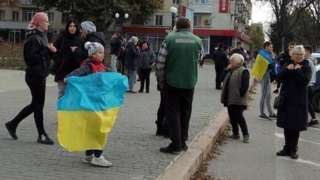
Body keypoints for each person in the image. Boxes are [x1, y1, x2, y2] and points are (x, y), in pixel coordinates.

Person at [5, 12, 56, 145]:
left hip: (40, 74)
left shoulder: (41, 36)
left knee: (36, 104)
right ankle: (41, 135)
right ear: (39, 23)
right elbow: (30, 58)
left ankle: (12, 124)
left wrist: (49, 51)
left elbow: (43, 55)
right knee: (38, 105)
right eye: (46, 21)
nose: (48, 24)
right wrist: (47, 52)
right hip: (35, 76)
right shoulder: (33, 38)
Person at [156, 17, 203, 154]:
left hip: (172, 82)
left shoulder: (169, 39)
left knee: (173, 113)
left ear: (176, 26)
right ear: (189, 26)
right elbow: (199, 59)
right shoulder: (198, 40)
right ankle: (183, 141)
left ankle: (175, 144)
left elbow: (160, 63)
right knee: (186, 112)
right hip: (190, 82)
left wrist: (161, 82)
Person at [65, 41, 112, 167]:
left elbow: (110, 76)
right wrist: (68, 78)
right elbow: (77, 73)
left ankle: (89, 155)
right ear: (92, 55)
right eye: (99, 52)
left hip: (99, 103)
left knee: (94, 129)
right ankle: (98, 156)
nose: (102, 55)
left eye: (103, 52)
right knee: (100, 129)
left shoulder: (102, 66)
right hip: (92, 104)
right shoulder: (88, 66)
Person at [276, 45, 311, 159]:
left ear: (304, 55)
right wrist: (287, 70)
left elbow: (305, 81)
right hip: (286, 99)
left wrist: (297, 71)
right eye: (296, 54)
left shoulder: (306, 66)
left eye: (301, 54)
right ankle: (286, 148)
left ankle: (293, 149)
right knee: (287, 124)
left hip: (298, 101)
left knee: (295, 126)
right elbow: (279, 77)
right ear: (292, 55)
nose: (299, 56)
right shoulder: (288, 63)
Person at [221, 53, 250, 143]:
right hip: (230, 98)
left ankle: (245, 134)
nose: (230, 63)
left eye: (232, 61)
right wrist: (226, 70)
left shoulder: (244, 71)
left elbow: (245, 85)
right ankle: (235, 133)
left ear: (238, 62)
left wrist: (240, 94)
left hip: (239, 100)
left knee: (239, 117)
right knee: (232, 116)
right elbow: (221, 78)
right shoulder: (230, 71)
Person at [52, 19, 82, 97]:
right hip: (62, 71)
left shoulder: (80, 39)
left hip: (75, 72)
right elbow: (54, 51)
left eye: (74, 26)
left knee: (73, 95)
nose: (72, 28)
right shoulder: (62, 38)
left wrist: (76, 52)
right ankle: (61, 109)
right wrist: (59, 60)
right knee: (62, 93)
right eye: (70, 26)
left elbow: (83, 55)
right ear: (67, 27)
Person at [258, 41, 276, 119]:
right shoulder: (263, 54)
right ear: (266, 47)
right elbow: (271, 65)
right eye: (270, 47)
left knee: (268, 95)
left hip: (266, 75)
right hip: (264, 75)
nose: (272, 48)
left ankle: (271, 112)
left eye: (272, 47)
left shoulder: (265, 54)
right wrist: (273, 57)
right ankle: (262, 113)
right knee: (265, 94)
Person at [305, 46, 319, 126]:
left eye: (305, 51)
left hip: (308, 85)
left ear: (309, 52)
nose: (304, 53)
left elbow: (308, 75)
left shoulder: (308, 61)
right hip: (310, 85)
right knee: (308, 103)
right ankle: (313, 119)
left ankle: (307, 120)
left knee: (306, 103)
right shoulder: (313, 60)